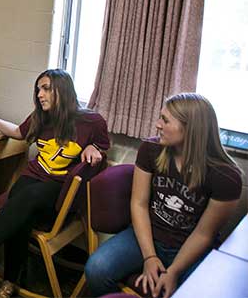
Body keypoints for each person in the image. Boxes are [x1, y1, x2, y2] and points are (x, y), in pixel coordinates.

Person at [85, 93, 242, 298]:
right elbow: (139, 204)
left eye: (165, 120)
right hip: (149, 235)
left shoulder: (226, 177)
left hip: (190, 247)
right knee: (96, 269)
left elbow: (204, 234)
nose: (158, 125)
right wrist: (149, 256)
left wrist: (174, 271)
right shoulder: (151, 149)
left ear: (191, 128)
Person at [0, 69, 109, 298]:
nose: (39, 94)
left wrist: (94, 148)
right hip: (32, 181)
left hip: (57, 190)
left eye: (46, 88)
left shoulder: (91, 121)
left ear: (63, 90)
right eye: (38, 89)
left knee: (26, 199)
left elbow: (102, 148)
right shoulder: (41, 117)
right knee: (22, 206)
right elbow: (18, 132)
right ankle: (10, 282)